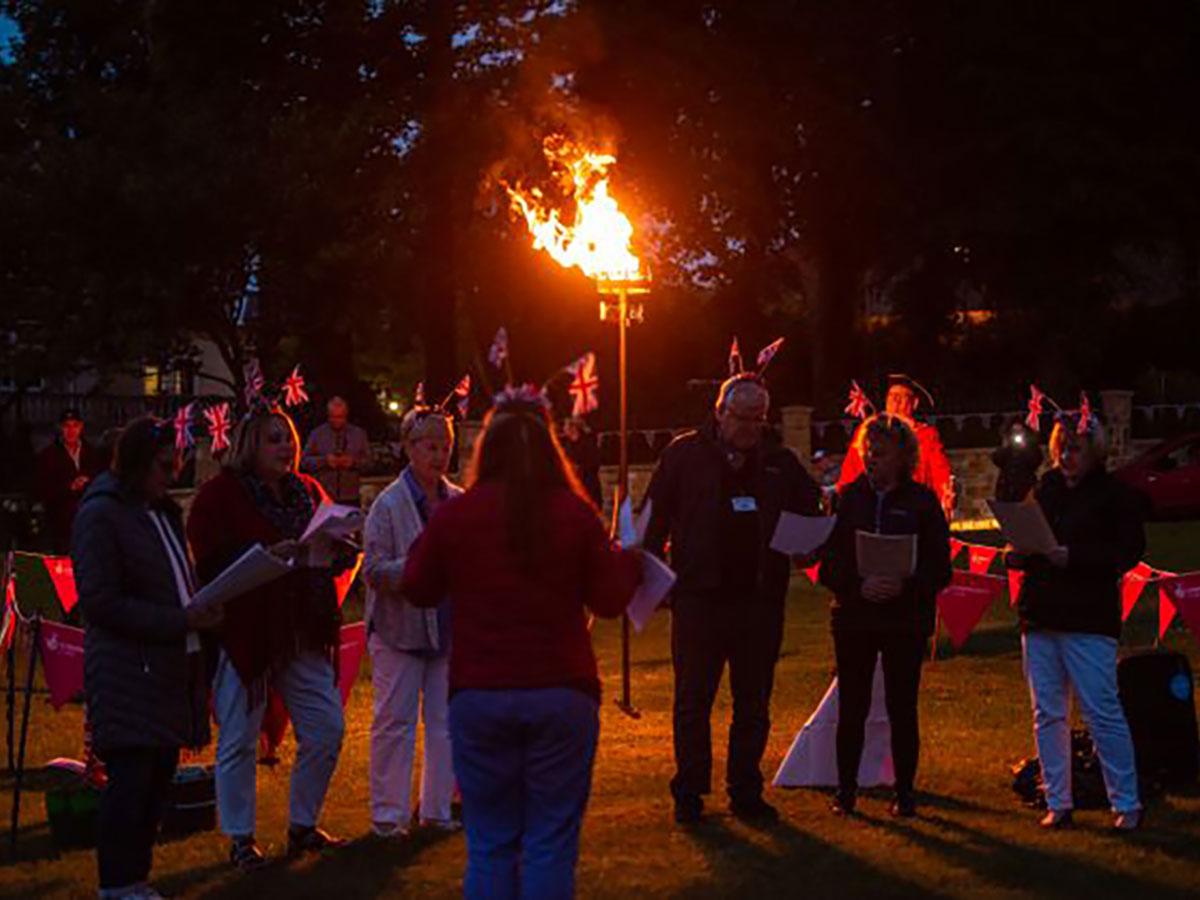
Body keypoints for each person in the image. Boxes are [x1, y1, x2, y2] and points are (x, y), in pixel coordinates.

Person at [401, 388, 641, 899]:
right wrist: (630, 559)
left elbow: (418, 587)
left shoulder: (458, 515)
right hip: (561, 689)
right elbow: (610, 599)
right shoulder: (572, 514)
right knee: (550, 839)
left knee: (490, 841)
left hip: (481, 693)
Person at [643, 374, 821, 825]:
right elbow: (654, 519)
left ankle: (746, 790)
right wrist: (653, 581)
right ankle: (689, 791)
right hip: (700, 598)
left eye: (758, 419)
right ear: (720, 412)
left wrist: (809, 538)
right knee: (692, 701)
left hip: (758, 601)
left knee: (753, 702)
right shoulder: (683, 455)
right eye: (742, 418)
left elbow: (810, 511)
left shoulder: (778, 461)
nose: (750, 427)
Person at [187, 406, 352, 869]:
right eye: (274, 439)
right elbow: (208, 558)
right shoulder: (221, 495)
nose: (285, 447)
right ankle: (240, 837)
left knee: (326, 727)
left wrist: (336, 547)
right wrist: (263, 554)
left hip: (301, 628)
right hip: (248, 631)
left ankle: (302, 824)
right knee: (239, 737)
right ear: (249, 445)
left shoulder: (307, 489)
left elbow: (328, 550)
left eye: (288, 438)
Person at [72, 417, 223, 899]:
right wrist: (181, 621)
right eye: (163, 465)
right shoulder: (101, 514)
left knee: (156, 778)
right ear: (137, 462)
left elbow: (176, 577)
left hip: (163, 667)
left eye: (176, 464)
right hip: (126, 668)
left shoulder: (159, 513)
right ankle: (116, 884)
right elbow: (100, 602)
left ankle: (134, 879)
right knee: (132, 781)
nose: (171, 475)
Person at [1005, 417, 1145, 831]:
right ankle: (1058, 799)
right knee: (1047, 712)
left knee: (1101, 711)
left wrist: (1077, 556)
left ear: (1094, 452)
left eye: (1074, 448)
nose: (1065, 456)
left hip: (1087, 616)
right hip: (1042, 612)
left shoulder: (1113, 495)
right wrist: (1018, 553)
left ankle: (1126, 801)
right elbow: (1033, 537)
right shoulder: (1047, 488)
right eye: (1061, 447)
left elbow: (1129, 550)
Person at [819, 414, 951, 817]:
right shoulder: (848, 499)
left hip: (903, 619)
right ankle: (845, 790)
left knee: (901, 706)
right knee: (852, 705)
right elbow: (829, 565)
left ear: (903, 457)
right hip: (855, 617)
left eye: (881, 453)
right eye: (868, 452)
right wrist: (857, 586)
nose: (872, 459)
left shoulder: (922, 502)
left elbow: (939, 568)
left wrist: (905, 585)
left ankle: (905, 792)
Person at [364, 406, 461, 837]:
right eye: (430, 446)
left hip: (448, 628)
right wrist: (420, 567)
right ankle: (389, 818)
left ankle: (437, 811)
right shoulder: (388, 505)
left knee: (445, 724)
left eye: (445, 446)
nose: (439, 455)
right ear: (409, 449)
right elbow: (374, 571)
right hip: (398, 629)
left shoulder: (458, 501)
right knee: (395, 723)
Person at [838, 375, 955, 519]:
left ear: (914, 403)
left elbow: (940, 471)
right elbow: (851, 469)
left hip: (911, 507)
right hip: (872, 505)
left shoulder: (925, 435)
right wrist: (843, 495)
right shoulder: (867, 431)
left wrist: (945, 495)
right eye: (892, 395)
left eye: (902, 396)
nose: (895, 400)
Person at [36, 408, 102, 553]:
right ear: (60, 428)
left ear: (81, 427)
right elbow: (42, 489)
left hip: (88, 522)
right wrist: (69, 487)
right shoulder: (49, 456)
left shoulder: (92, 454)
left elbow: (100, 482)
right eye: (67, 426)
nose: (71, 431)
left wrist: (87, 483)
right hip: (61, 523)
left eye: (75, 426)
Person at [301, 396, 371, 506]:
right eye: (333, 417)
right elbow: (304, 462)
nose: (337, 421)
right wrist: (325, 461)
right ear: (328, 415)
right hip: (324, 497)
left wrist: (353, 462)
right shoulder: (317, 434)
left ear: (346, 415)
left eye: (340, 417)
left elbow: (370, 462)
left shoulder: (359, 434)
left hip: (351, 497)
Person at [992, 421, 1045, 502]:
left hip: (1025, 485)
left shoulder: (1031, 446)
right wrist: (1005, 446)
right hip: (1007, 486)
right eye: (1014, 431)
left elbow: (1036, 461)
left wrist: (1026, 448)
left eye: (1020, 431)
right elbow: (997, 460)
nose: (1017, 434)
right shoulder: (1007, 447)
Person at [559, 417, 603, 507]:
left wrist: (579, 468)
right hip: (575, 487)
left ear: (573, 428)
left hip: (589, 487)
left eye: (565, 426)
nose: (563, 429)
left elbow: (594, 464)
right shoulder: (567, 445)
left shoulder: (588, 443)